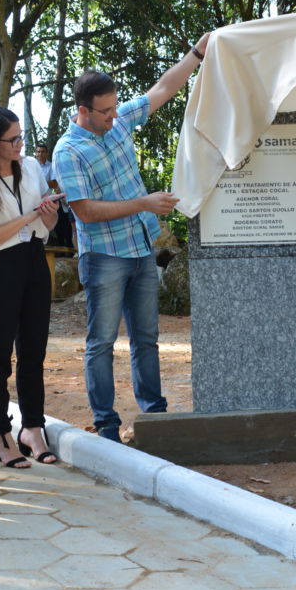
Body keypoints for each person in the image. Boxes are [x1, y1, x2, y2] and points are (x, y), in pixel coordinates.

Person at [53, 34, 209, 442]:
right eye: (104, 111)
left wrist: (196, 53)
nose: (112, 115)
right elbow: (84, 210)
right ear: (82, 110)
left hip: (140, 251)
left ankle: (154, 416)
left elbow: (161, 89)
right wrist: (143, 203)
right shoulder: (68, 151)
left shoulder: (118, 120)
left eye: (114, 107)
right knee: (102, 341)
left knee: (146, 338)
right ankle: (106, 423)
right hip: (103, 256)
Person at [0, 107, 59, 467]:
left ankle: (32, 427)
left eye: (21, 136)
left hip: (35, 257)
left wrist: (47, 215)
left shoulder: (31, 168)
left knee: (34, 349)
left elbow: (44, 224)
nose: (21, 144)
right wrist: (31, 216)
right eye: (13, 139)